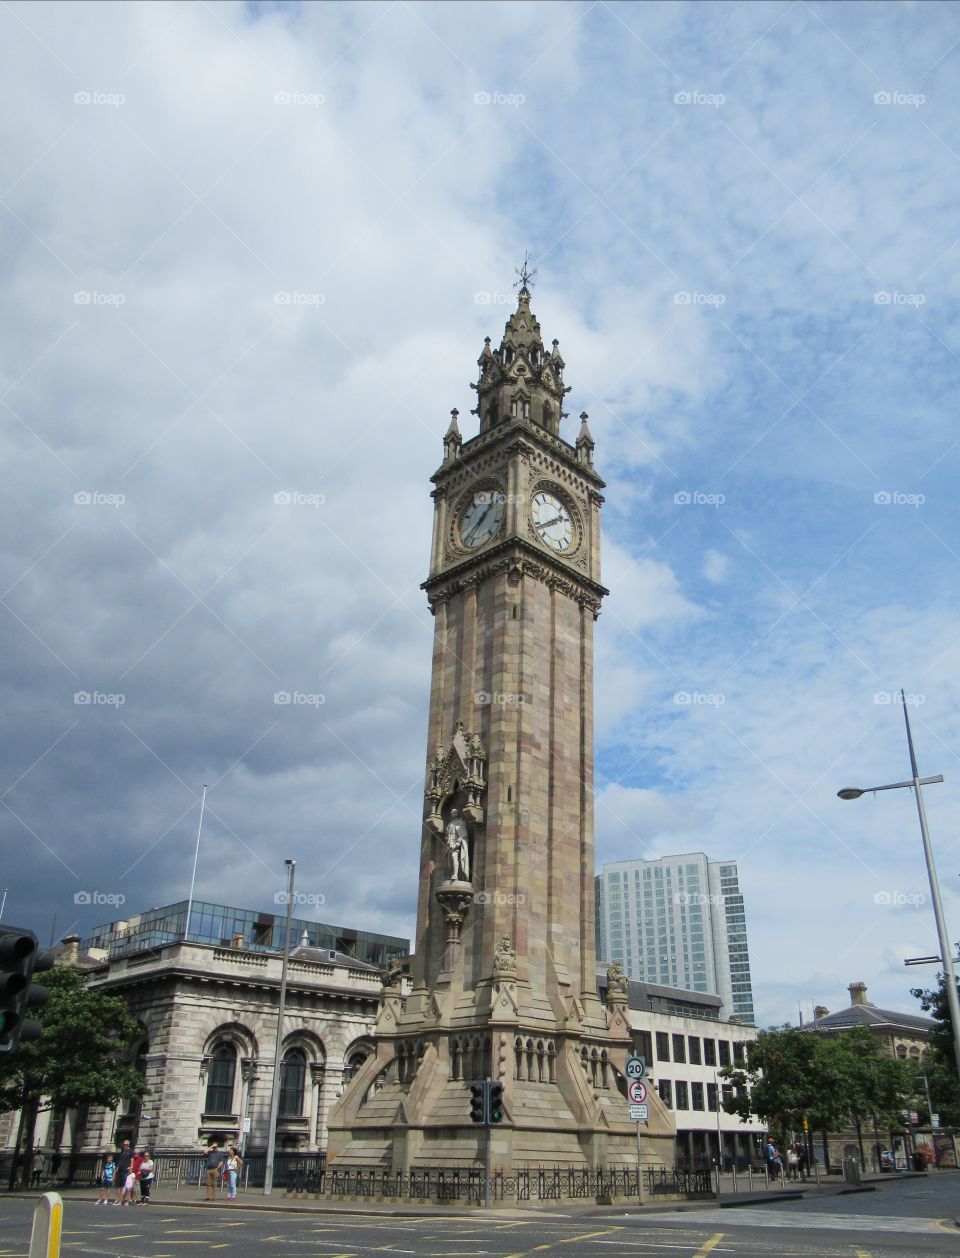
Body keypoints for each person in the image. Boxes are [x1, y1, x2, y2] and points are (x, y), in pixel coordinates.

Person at [114, 1141, 132, 1205]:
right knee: (118, 1185)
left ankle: (121, 1200)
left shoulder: (130, 1151)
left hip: (125, 1170)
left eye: (126, 1144)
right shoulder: (122, 1151)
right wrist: (117, 1167)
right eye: (124, 1144)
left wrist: (130, 1168)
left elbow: (132, 1160)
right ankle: (117, 1199)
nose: (125, 1145)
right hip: (120, 1170)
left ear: (128, 1145)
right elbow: (120, 1160)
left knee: (123, 1186)